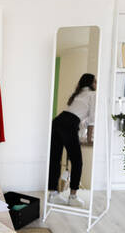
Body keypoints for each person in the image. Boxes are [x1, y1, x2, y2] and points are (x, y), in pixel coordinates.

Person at [48, 73, 96, 207]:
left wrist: (81, 135)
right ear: (92, 83)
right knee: (77, 162)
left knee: (55, 159)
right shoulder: (93, 94)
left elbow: (80, 119)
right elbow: (92, 119)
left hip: (57, 121)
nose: (96, 85)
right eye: (95, 82)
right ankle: (73, 196)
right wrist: (89, 139)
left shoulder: (78, 94)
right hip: (68, 124)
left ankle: (53, 194)